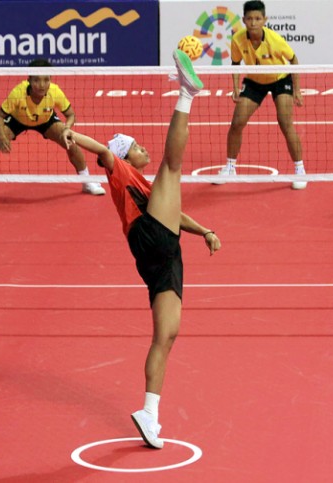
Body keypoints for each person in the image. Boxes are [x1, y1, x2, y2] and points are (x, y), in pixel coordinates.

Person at [63, 50, 221, 448]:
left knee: (166, 335)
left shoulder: (150, 193)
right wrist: (73, 135)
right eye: (136, 146)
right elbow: (102, 152)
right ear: (125, 154)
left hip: (159, 254)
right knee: (173, 166)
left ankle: (149, 413)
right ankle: (186, 94)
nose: (142, 150)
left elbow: (176, 214)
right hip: (150, 235)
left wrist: (204, 231)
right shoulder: (122, 171)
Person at [0, 59, 105, 199]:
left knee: (71, 142)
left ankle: (87, 181)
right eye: (37, 80)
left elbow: (71, 114)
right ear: (29, 80)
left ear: (51, 79)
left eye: (46, 80)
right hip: (17, 120)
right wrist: (2, 135)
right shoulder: (18, 93)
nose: (42, 85)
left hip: (46, 120)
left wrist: (67, 128)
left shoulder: (55, 92)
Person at [217, 0, 307, 190]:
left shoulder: (275, 40)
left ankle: (300, 170)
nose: (254, 22)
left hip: (280, 80)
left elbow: (294, 59)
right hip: (254, 82)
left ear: (264, 19)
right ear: (243, 20)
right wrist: (235, 87)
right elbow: (235, 64)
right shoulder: (238, 39)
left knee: (285, 122)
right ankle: (230, 168)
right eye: (249, 19)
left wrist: (296, 89)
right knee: (237, 123)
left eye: (258, 18)